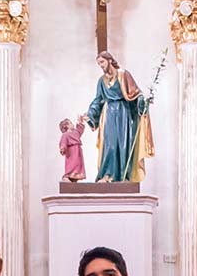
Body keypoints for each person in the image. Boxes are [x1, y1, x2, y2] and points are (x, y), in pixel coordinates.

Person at [80, 51, 153, 183]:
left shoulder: (123, 74)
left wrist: (142, 100)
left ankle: (124, 176)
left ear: (109, 60)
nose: (101, 66)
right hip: (108, 115)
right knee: (110, 145)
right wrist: (90, 114)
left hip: (124, 114)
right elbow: (98, 100)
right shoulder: (101, 81)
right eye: (98, 64)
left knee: (123, 145)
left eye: (102, 62)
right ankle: (107, 175)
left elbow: (136, 93)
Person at [58, 116, 87, 182]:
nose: (72, 124)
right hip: (71, 153)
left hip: (78, 153)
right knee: (71, 165)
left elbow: (80, 130)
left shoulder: (75, 133)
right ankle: (66, 176)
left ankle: (74, 178)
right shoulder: (65, 135)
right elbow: (63, 143)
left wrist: (80, 122)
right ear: (66, 126)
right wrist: (63, 148)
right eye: (70, 123)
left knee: (78, 165)